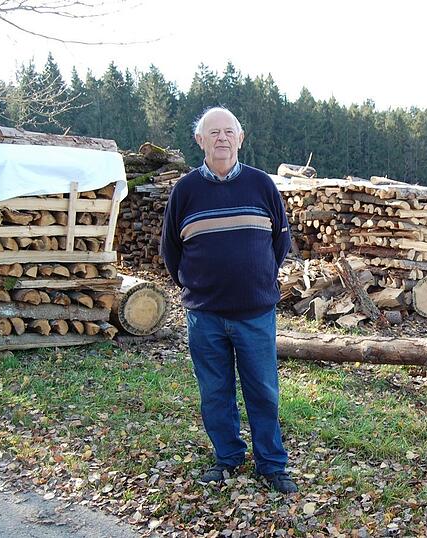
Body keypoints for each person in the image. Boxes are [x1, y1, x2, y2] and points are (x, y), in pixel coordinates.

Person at [160, 107, 297, 494]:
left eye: (228, 132)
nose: (221, 138)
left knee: (263, 392)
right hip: (205, 316)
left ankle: (271, 465)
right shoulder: (185, 191)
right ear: (200, 141)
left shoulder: (261, 185)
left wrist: (256, 281)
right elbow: (171, 249)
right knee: (215, 391)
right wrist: (197, 287)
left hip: (255, 313)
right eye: (213, 132)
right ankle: (228, 458)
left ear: (240, 138)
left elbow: (280, 242)